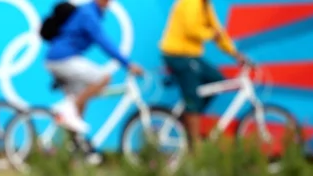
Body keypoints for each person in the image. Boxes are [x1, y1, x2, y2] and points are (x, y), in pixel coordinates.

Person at [44, 0, 145, 135]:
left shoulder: (89, 12)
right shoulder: (88, 14)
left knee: (79, 106)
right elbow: (104, 42)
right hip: (63, 59)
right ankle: (68, 108)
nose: (109, 3)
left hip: (58, 59)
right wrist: (128, 64)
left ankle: (74, 146)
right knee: (104, 78)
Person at [159, 0, 246, 150]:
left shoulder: (206, 5)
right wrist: (211, 34)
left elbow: (218, 31)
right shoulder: (190, 2)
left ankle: (189, 116)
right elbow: (191, 29)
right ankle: (195, 147)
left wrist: (236, 54)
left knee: (217, 82)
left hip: (191, 55)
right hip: (177, 54)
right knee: (192, 96)